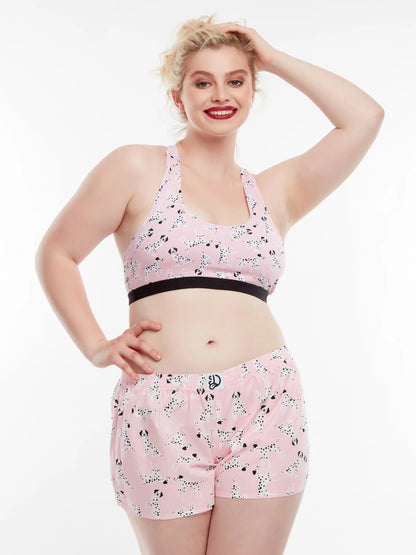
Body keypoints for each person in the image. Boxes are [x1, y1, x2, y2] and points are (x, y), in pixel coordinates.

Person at [34, 14, 384, 555]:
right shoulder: (136, 168)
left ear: (252, 91)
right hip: (161, 405)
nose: (221, 94)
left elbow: (364, 118)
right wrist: (95, 344)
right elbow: (58, 252)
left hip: (266, 402)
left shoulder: (277, 191)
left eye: (236, 80)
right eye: (203, 82)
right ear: (179, 97)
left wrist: (273, 58)